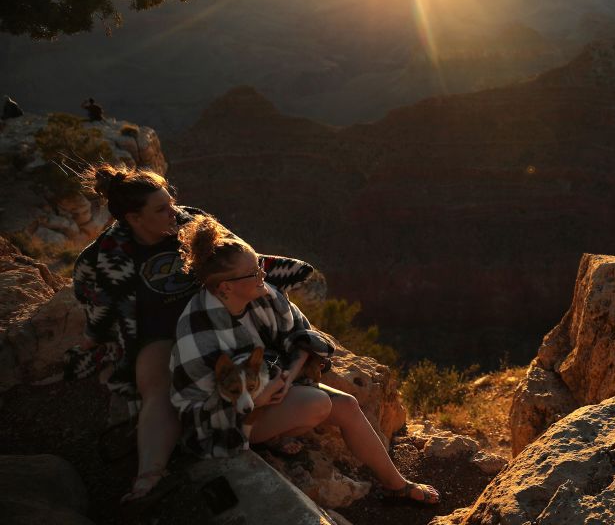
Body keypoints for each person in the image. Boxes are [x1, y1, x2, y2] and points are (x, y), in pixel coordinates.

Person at [73, 164, 313, 502]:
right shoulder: (102, 256)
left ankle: (256, 429)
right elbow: (98, 307)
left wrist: (276, 277)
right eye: (161, 209)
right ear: (133, 217)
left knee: (257, 373)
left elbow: (238, 258)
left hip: (215, 321)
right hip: (161, 335)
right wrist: (93, 338)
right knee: (158, 388)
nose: (173, 212)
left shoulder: (194, 223)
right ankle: (150, 473)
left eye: (171, 202)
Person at [170, 214, 440, 505]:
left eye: (259, 265)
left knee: (347, 405)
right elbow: (198, 409)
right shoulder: (199, 329)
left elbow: (304, 336)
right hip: (223, 422)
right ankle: (267, 439)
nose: (263, 274)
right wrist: (258, 398)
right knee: (317, 404)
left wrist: (288, 375)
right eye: (253, 272)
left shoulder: (266, 296)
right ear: (225, 288)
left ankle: (397, 484)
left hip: (272, 389)